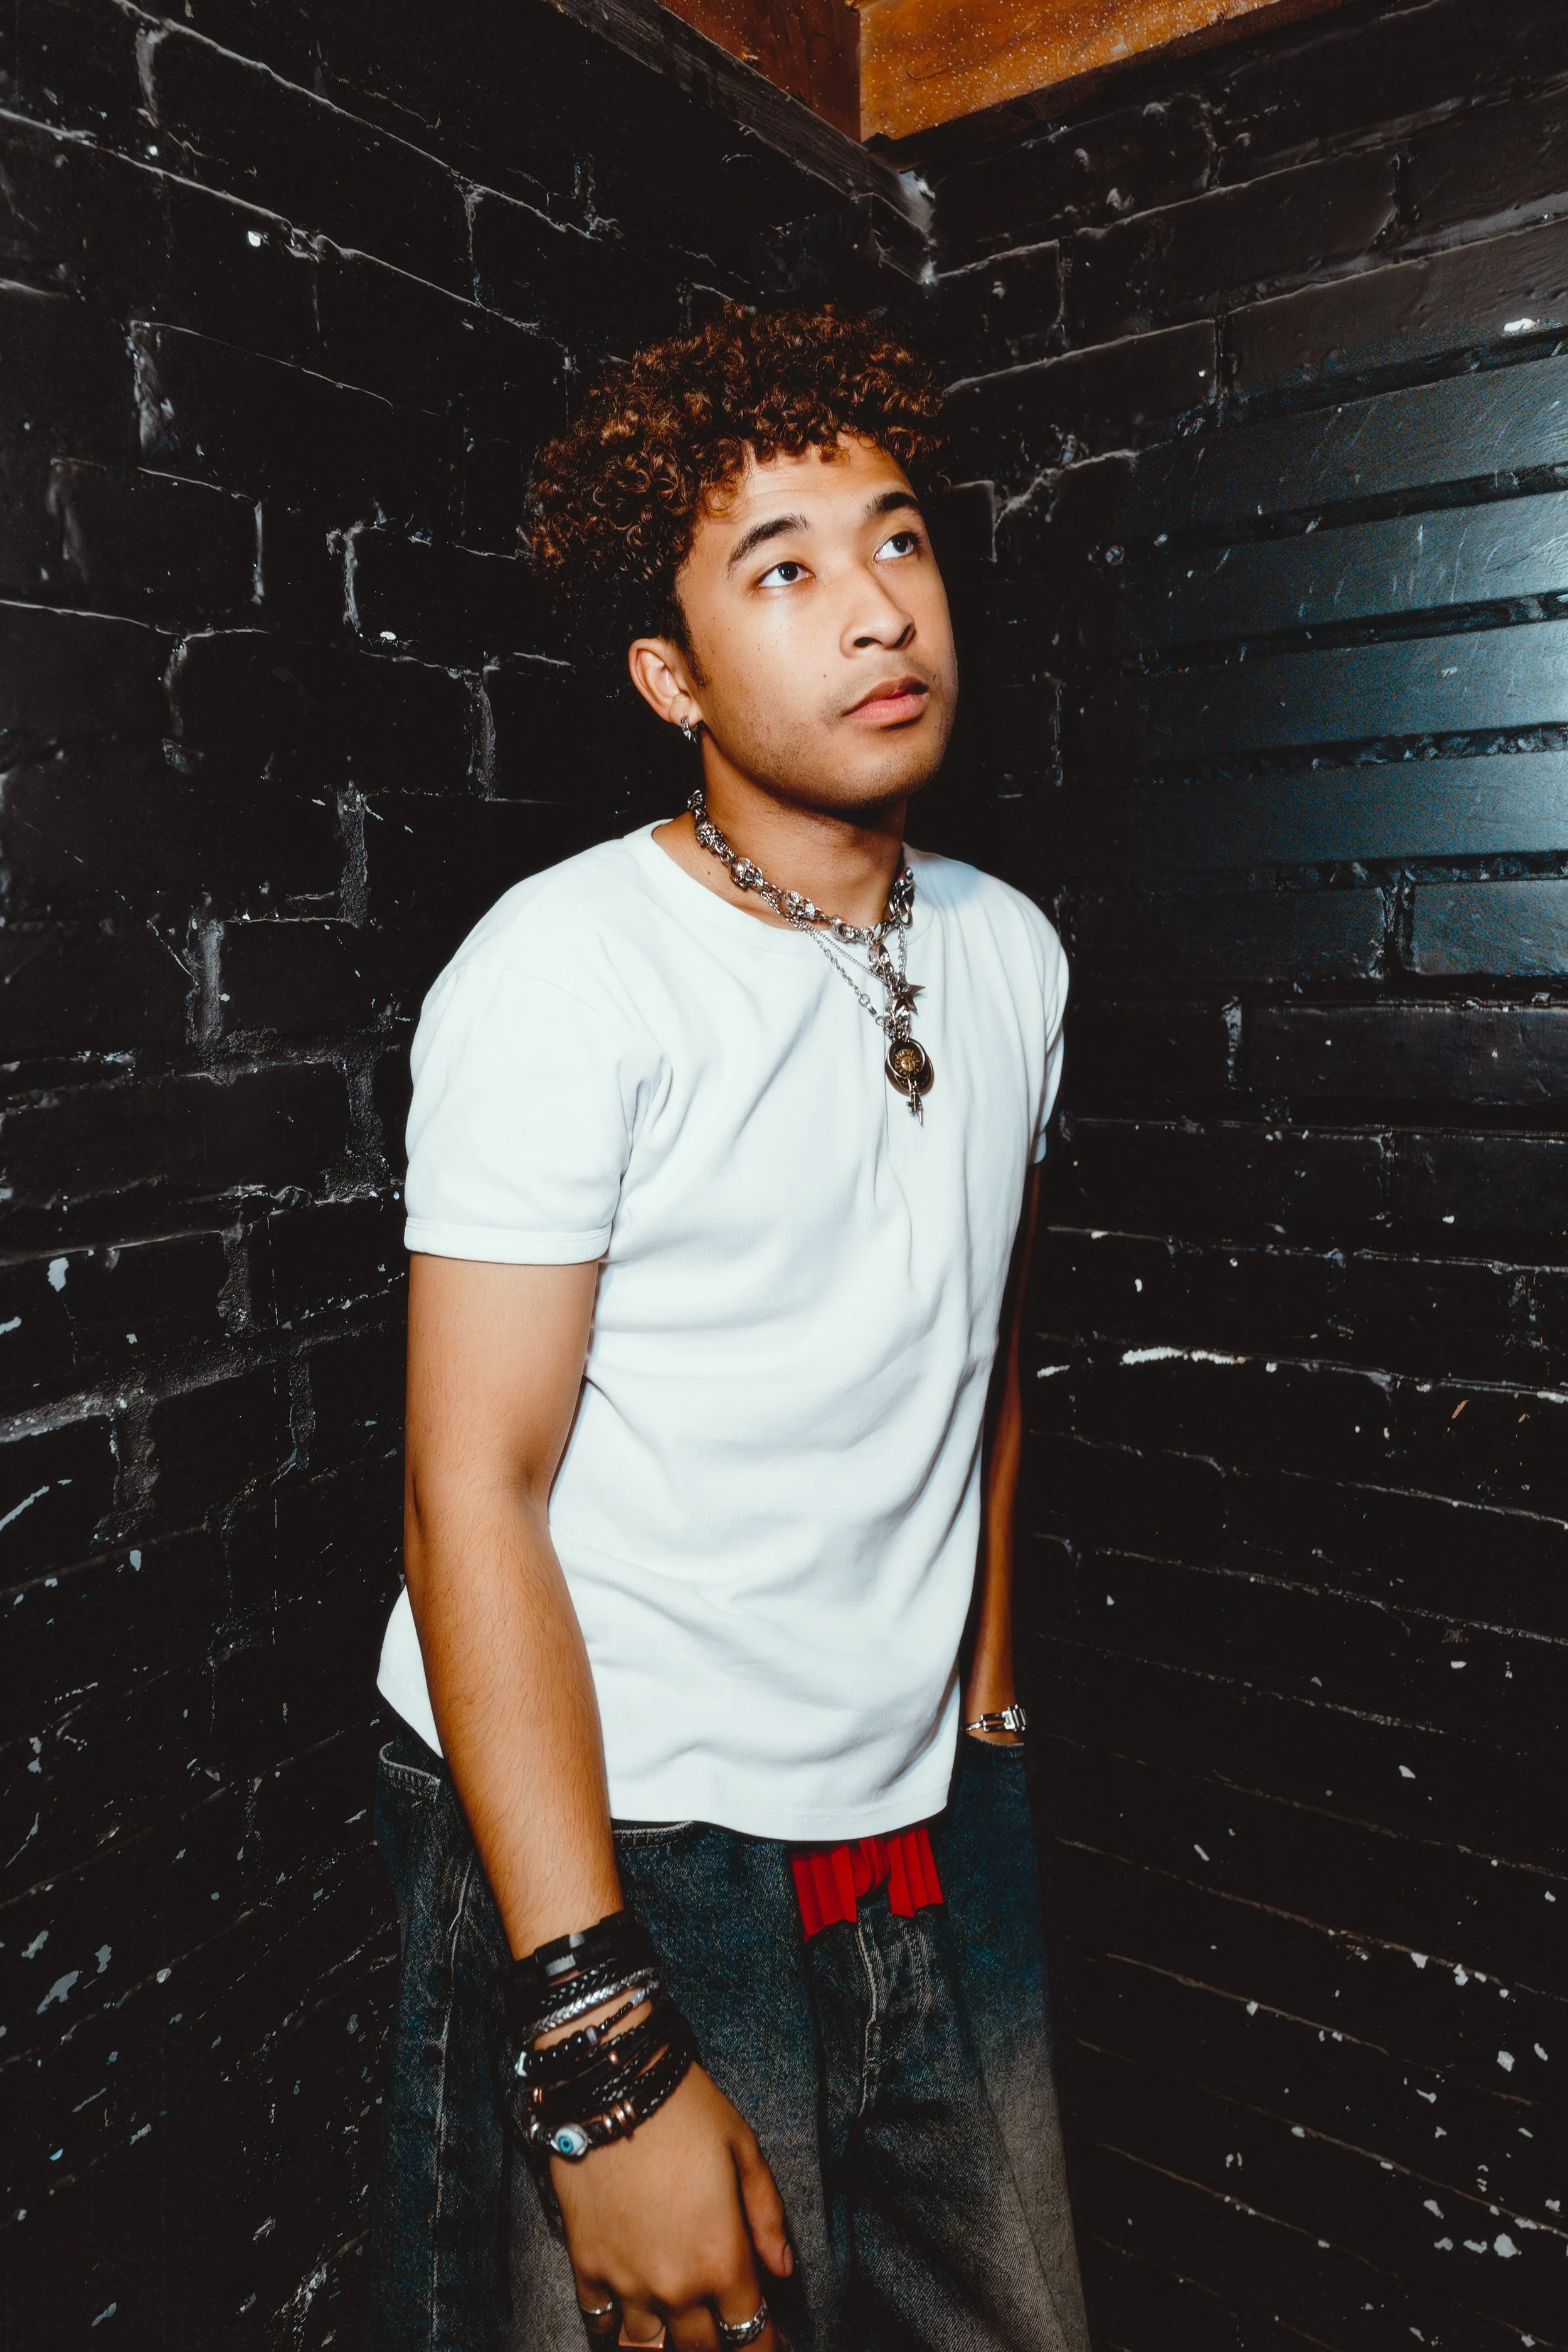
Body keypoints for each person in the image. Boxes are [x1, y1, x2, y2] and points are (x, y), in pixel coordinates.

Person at [368, 304, 1088, 2352]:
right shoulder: (567, 969)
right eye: (782, 567)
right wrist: (595, 2032)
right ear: (670, 675)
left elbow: (983, 1351)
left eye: (897, 542)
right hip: (626, 1843)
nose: (873, 609)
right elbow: (466, 1488)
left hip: (929, 1821)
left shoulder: (1008, 951)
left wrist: (995, 1707)